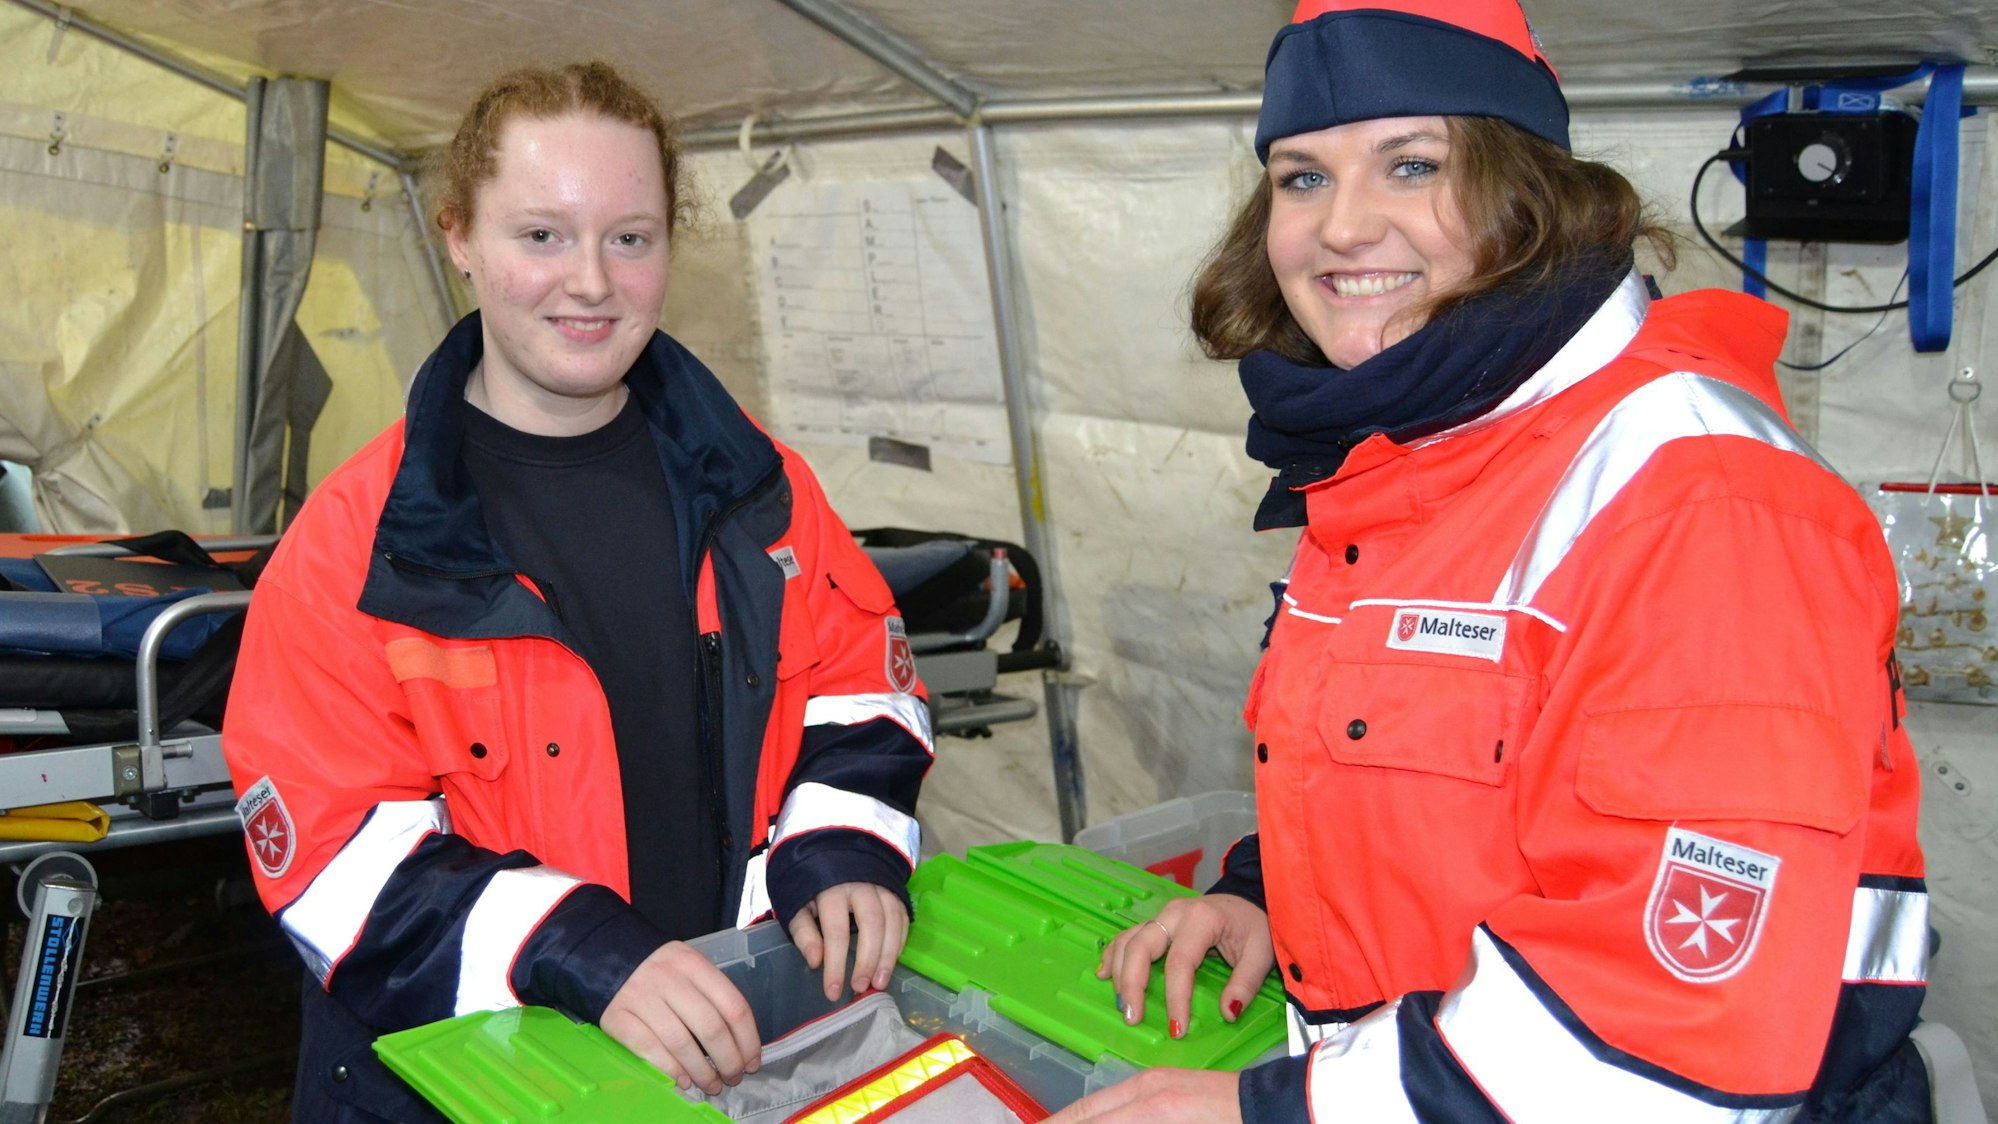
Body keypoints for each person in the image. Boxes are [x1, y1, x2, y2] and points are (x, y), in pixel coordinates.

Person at [1053, 2, 1929, 1121]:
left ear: (1531, 200)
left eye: (1412, 164)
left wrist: (1270, 1111)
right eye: (1301, 176)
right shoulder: (1415, 454)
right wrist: (1270, 897)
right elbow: (1431, 780)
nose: (1341, 228)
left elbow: (1675, 1028)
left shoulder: (1699, 497)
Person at [221, 61, 933, 1124]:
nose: (591, 281)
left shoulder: (761, 489)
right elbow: (333, 860)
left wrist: (840, 841)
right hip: (456, 1086)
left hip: (732, 1059)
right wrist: (580, 949)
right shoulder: (354, 551)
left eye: (630, 237)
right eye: (542, 235)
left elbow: (862, 683)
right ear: (459, 237)